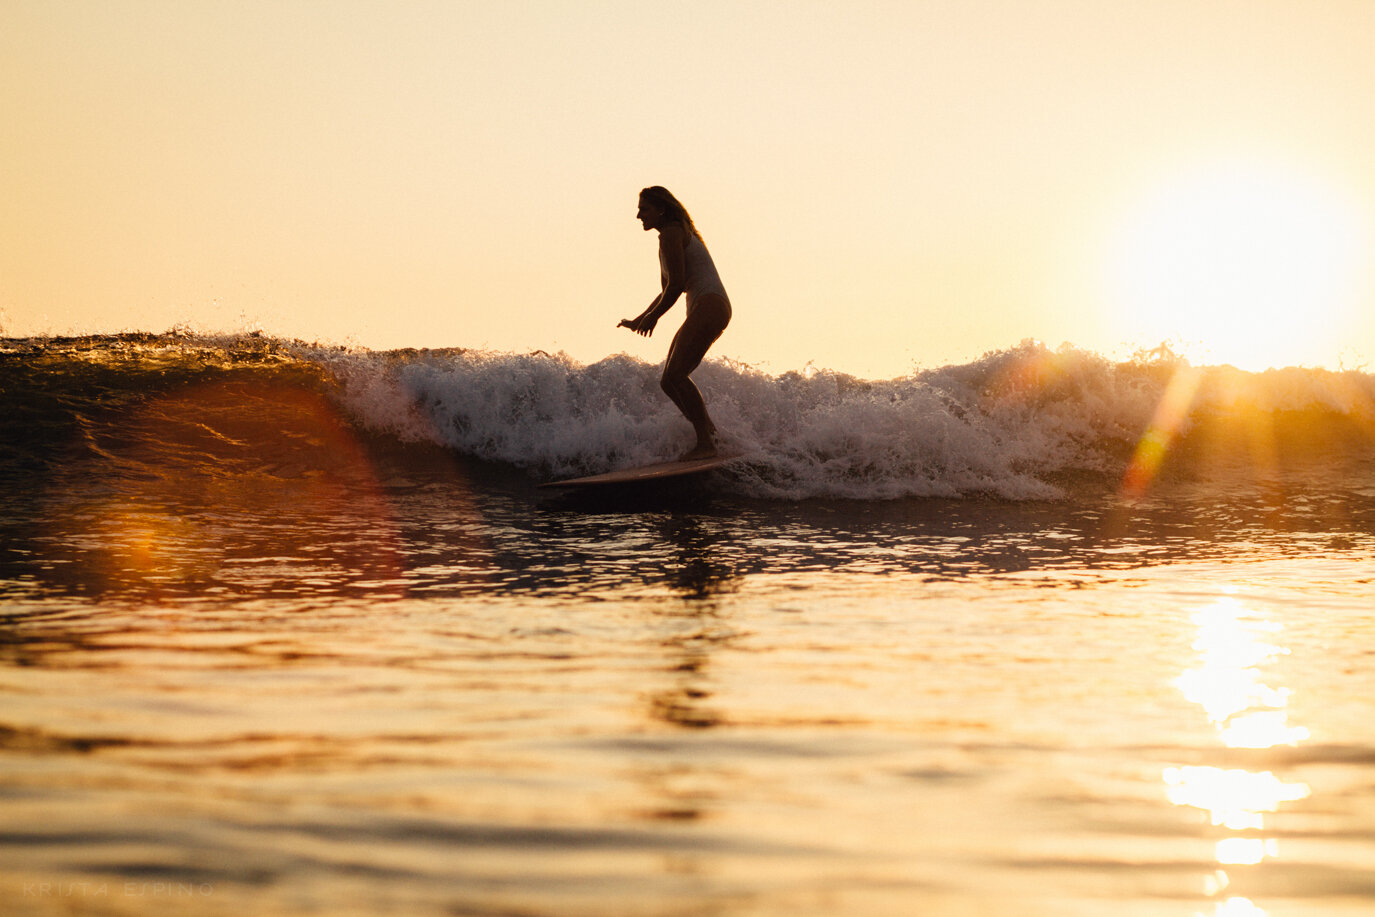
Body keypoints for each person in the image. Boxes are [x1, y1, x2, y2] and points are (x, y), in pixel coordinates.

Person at [619, 186, 732, 460]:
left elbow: (677, 286)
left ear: (661, 209)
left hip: (710, 305)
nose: (638, 215)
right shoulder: (668, 236)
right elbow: (669, 288)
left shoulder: (671, 232)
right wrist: (641, 318)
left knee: (676, 375)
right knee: (668, 381)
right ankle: (711, 437)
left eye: (643, 209)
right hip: (706, 307)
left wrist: (653, 317)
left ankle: (706, 443)